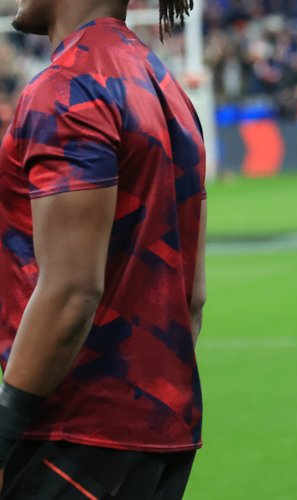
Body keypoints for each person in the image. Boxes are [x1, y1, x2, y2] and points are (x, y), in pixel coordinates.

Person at [0, 0, 206, 498]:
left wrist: (4, 430)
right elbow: (192, 298)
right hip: (159, 430)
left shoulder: (68, 87)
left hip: (69, 432)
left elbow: (71, 291)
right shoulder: (169, 90)